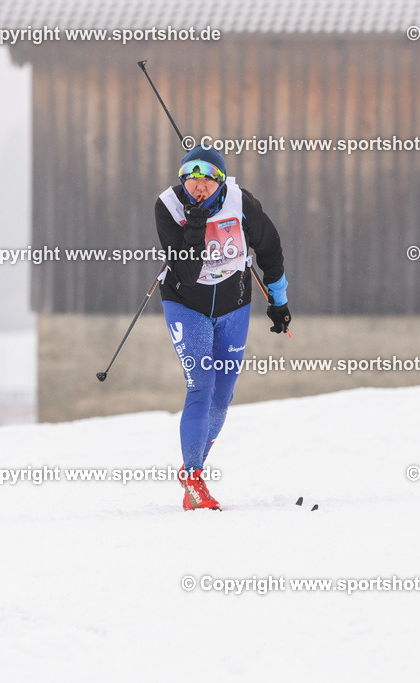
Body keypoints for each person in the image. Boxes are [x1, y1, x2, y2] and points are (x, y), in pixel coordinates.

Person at [155, 145, 291, 511]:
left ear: (218, 182)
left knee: (223, 395)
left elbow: (271, 249)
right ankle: (195, 477)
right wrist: (195, 229)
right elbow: (185, 271)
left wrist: (279, 302)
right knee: (201, 386)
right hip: (187, 304)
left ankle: (192, 466)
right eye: (190, 182)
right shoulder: (168, 206)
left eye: (205, 183)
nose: (196, 190)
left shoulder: (240, 202)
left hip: (235, 304)